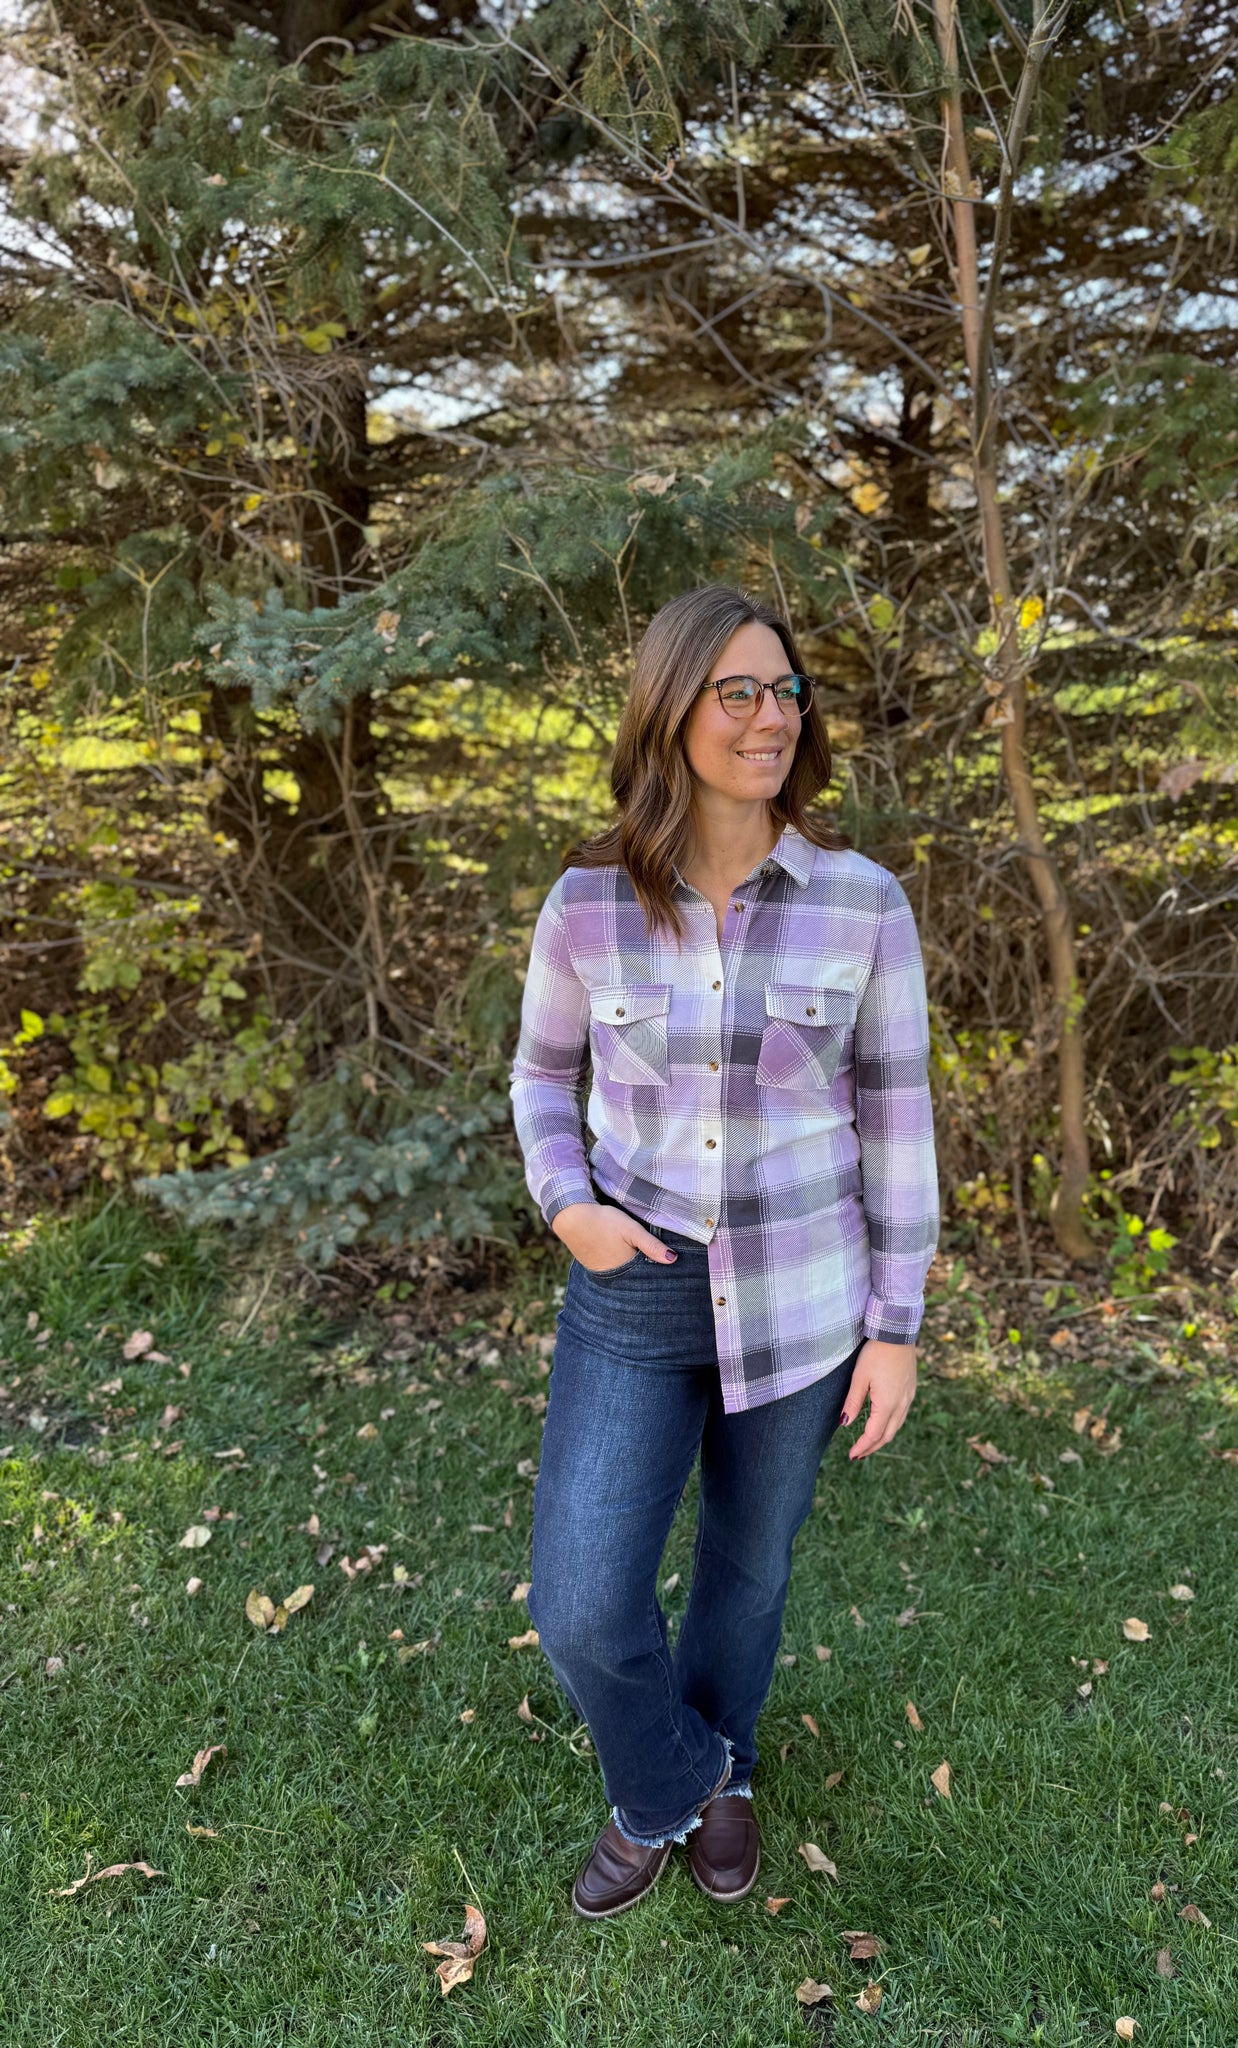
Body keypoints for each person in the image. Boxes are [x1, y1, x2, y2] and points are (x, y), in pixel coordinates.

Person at [509, 583, 940, 1920]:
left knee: (747, 1574)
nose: (769, 717)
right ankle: (673, 1779)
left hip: (806, 1296)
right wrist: (566, 1204)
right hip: (634, 1289)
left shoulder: (863, 904)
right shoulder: (589, 901)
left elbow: (899, 1120)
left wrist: (896, 1325)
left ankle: (730, 1764)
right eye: (735, 692)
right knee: (581, 1601)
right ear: (670, 710)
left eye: (785, 691)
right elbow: (540, 1078)